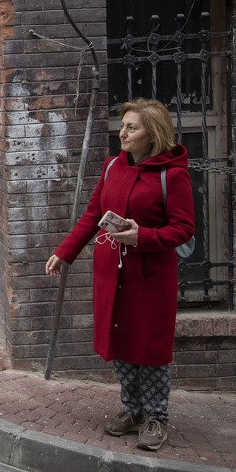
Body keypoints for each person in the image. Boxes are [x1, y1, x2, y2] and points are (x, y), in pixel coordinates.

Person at [44, 99, 194, 452]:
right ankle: (133, 410)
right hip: (112, 273)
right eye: (123, 125)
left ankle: (156, 417)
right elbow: (93, 214)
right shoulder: (113, 166)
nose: (123, 133)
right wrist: (64, 252)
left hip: (150, 278)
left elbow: (183, 228)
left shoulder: (172, 175)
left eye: (132, 127)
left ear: (152, 134)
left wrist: (143, 237)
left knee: (150, 349)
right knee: (121, 342)